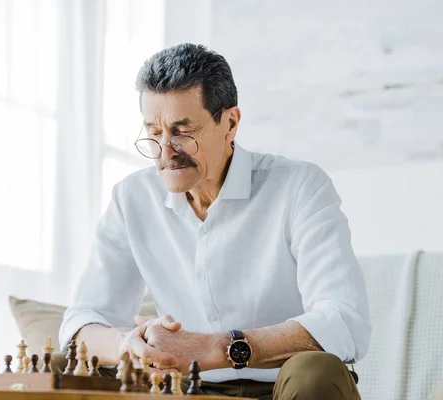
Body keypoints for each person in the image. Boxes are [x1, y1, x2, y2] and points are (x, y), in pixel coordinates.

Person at [58, 43, 371, 399]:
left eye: (182, 131)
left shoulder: (299, 186)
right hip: (183, 389)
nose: (165, 151)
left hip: (286, 387)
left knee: (316, 371)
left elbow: (346, 323)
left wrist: (217, 348)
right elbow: (80, 322)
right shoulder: (132, 198)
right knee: (63, 366)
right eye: (154, 132)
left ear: (230, 123)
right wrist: (128, 344)